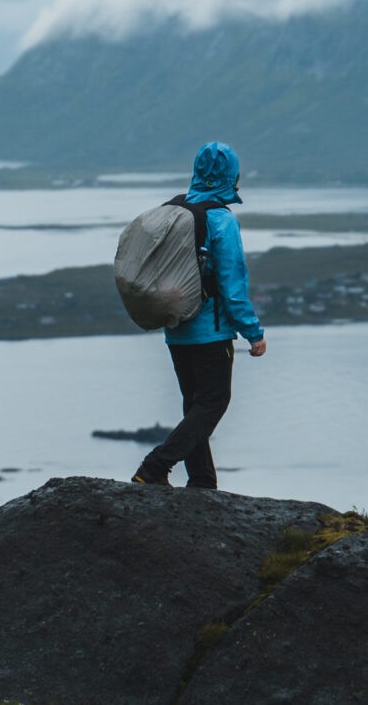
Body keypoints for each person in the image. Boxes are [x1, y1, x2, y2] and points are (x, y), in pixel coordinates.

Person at [133, 141, 266, 489]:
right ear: (231, 177)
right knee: (213, 404)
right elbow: (232, 287)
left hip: (176, 328)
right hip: (211, 332)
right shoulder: (220, 220)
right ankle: (155, 466)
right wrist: (253, 333)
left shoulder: (173, 210)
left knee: (194, 406)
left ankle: (203, 482)